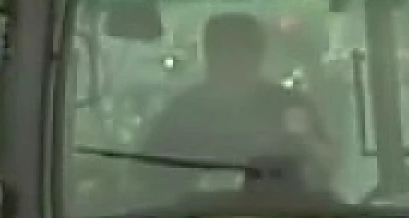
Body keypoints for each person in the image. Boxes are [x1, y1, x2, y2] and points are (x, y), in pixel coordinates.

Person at [138, 12, 325, 180]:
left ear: (258, 56)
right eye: (221, 50)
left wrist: (305, 139)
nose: (232, 60)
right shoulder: (180, 112)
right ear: (208, 56)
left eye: (243, 50)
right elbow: (145, 173)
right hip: (192, 213)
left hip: (284, 213)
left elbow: (327, 168)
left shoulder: (290, 106)